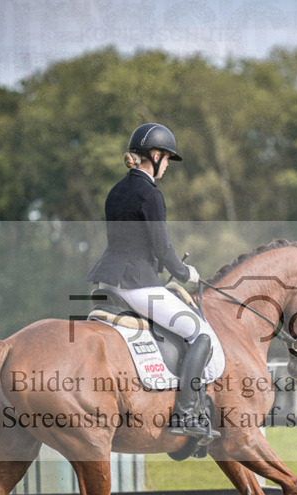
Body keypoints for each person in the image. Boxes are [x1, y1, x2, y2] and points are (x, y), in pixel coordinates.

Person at [87, 123, 218, 442]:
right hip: (137, 285)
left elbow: (131, 241)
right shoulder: (150, 194)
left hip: (109, 281)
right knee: (199, 333)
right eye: (167, 160)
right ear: (155, 155)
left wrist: (161, 268)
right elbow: (162, 247)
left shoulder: (117, 190)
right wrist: (186, 274)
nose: (167, 168)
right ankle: (185, 413)